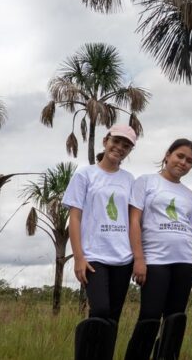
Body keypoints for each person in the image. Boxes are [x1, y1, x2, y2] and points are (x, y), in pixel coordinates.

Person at [124, 139, 192, 360]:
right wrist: (138, 258)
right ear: (168, 155)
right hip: (156, 259)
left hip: (186, 260)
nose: (183, 163)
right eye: (180, 156)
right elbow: (134, 221)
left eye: (189, 161)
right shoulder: (146, 182)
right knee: (149, 317)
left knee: (175, 320)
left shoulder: (189, 195)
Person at [63, 124, 138, 360]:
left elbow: (133, 220)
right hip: (94, 256)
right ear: (106, 141)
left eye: (126, 146)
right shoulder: (85, 174)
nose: (120, 148)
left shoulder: (129, 180)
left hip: (123, 257)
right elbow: (74, 217)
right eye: (116, 141)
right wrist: (79, 257)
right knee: (100, 311)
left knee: (113, 317)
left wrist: (137, 256)